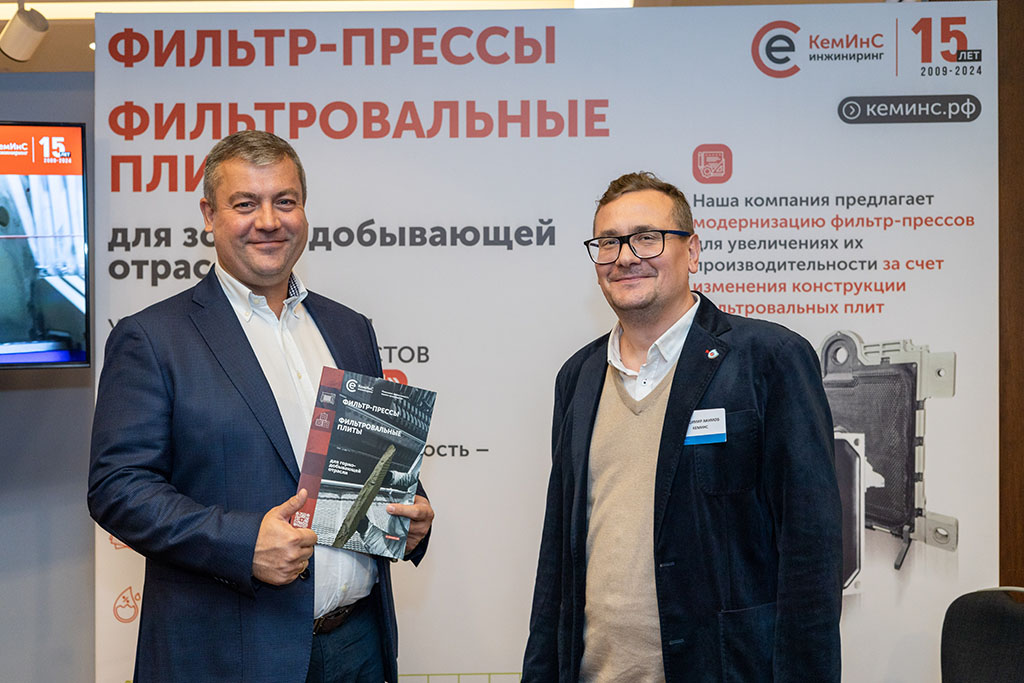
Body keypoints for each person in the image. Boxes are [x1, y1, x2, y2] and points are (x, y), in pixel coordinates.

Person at [88, 130, 434, 683]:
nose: (269, 221)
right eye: (245, 204)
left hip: (359, 646)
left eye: (285, 201)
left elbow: (372, 461)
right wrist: (242, 542)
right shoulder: (151, 338)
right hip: (228, 655)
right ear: (209, 215)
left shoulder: (349, 329)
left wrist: (410, 511)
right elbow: (118, 489)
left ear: (304, 209)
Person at [522, 172, 841, 682]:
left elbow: (811, 552)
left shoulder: (770, 359)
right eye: (608, 242)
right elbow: (557, 558)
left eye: (647, 237)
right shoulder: (577, 377)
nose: (626, 257)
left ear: (691, 251)